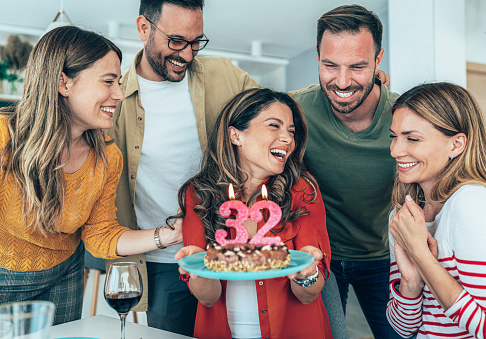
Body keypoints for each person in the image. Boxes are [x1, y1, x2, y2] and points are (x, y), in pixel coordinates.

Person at [0, 26, 182, 325]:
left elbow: (101, 236)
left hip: (62, 276)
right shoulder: (4, 137)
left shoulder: (107, 157)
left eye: (119, 83)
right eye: (109, 81)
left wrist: (170, 236)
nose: (120, 94)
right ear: (64, 83)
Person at [105, 0, 259, 335]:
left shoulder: (223, 74)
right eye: (176, 41)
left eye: (196, 42)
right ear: (144, 28)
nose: (187, 55)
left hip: (231, 248)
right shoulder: (114, 100)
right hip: (165, 263)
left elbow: (276, 114)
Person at [174, 88, 333, 339]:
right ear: (236, 135)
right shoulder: (199, 194)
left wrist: (307, 273)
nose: (288, 139)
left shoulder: (303, 189)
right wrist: (198, 268)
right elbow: (207, 298)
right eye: (274, 126)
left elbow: (309, 294)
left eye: (291, 131)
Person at [291, 5, 401, 338]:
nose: (341, 81)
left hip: (383, 256)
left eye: (357, 66)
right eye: (330, 65)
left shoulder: (405, 118)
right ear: (317, 56)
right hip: (319, 256)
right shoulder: (293, 111)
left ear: (378, 61)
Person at [386, 82, 486, 338]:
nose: (395, 150)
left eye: (412, 138)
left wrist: (421, 256)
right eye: (394, 136)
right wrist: (411, 282)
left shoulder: (471, 203)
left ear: (456, 145)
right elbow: (404, 327)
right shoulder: (405, 215)